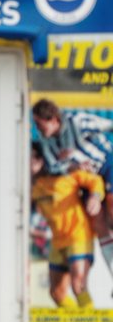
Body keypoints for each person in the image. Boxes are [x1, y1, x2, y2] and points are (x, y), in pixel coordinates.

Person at [33, 98, 113, 286]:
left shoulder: (78, 122)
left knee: (111, 202)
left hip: (107, 165)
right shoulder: (46, 143)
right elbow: (54, 167)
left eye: (39, 123)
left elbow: (109, 125)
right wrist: (73, 166)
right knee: (98, 222)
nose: (37, 128)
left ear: (53, 119)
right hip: (87, 180)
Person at [32, 142, 106, 308]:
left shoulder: (66, 174)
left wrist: (95, 197)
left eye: (30, 158)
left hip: (78, 235)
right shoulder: (32, 186)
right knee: (56, 293)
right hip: (57, 240)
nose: (27, 164)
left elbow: (94, 181)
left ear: (41, 159)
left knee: (78, 285)